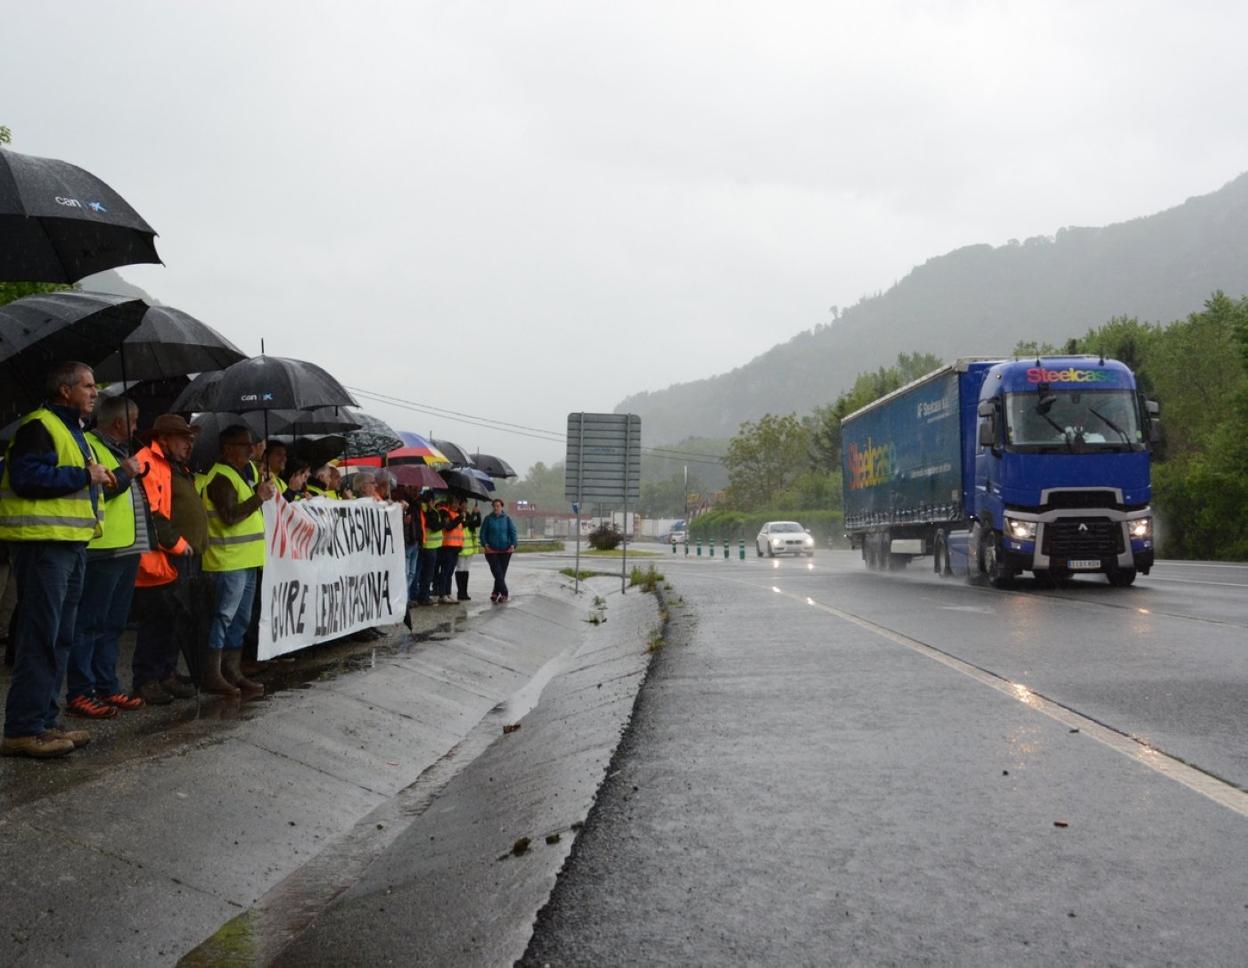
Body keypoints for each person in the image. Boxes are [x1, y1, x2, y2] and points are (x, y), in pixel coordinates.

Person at [0, 361, 111, 758]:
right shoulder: (39, 426)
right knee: (41, 638)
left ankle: (44, 721)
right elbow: (25, 477)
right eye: (88, 385)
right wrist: (85, 475)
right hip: (43, 545)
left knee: (60, 637)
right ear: (65, 391)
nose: (95, 392)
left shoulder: (70, 430)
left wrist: (90, 474)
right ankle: (23, 728)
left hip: (69, 545)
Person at [65, 396, 147, 718]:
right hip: (103, 548)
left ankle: (107, 686)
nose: (137, 427)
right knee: (89, 624)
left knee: (113, 625)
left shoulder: (119, 451)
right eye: (135, 421)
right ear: (118, 423)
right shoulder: (89, 446)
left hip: (126, 548)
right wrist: (125, 473)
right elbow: (99, 490)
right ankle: (81, 692)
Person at [132, 414, 209, 703]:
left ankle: (166, 674)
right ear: (163, 438)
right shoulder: (148, 461)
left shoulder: (173, 465)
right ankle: (147, 679)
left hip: (176, 554)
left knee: (174, 619)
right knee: (157, 619)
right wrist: (176, 543)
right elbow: (152, 512)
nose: (189, 443)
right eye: (183, 438)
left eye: (191, 438)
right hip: (161, 556)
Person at [202, 425, 275, 698]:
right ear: (228, 448)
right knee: (223, 617)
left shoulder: (243, 474)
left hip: (246, 560)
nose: (251, 448)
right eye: (244, 444)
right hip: (228, 561)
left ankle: (232, 670)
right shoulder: (220, 478)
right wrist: (258, 497)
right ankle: (213, 673)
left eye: (251, 443)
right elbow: (229, 516)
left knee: (240, 620)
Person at [480, 498, 517, 604]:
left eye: (498, 506)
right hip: (491, 551)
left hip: (505, 551)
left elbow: (513, 532)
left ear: (502, 507)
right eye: (494, 506)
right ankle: (504, 593)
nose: (496, 508)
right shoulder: (488, 519)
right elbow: (483, 533)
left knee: (501, 573)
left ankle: (495, 592)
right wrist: (485, 544)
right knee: (497, 572)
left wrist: (513, 545)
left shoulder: (507, 519)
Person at [414, 491, 445, 606]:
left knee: (420, 572)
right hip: (430, 546)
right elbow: (434, 526)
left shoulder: (422, 509)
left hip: (425, 545)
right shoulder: (428, 511)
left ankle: (420, 594)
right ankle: (424, 596)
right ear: (431, 500)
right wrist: (443, 523)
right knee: (428, 573)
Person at [433, 493, 463, 604]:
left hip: (456, 547)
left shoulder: (456, 514)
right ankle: (442, 594)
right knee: (445, 572)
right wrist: (460, 518)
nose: (456, 505)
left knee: (450, 572)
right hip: (447, 547)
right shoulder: (444, 512)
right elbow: (449, 527)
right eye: (454, 503)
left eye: (457, 503)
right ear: (449, 503)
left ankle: (448, 593)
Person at [454, 497, 482, 602]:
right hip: (460, 546)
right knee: (460, 568)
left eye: (466, 503)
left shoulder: (469, 514)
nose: (465, 506)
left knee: (466, 569)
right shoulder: (458, 515)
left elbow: (476, 523)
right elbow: (464, 524)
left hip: (469, 547)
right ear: (459, 505)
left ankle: (464, 592)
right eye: (463, 504)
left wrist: (478, 514)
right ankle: (460, 592)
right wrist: (473, 515)